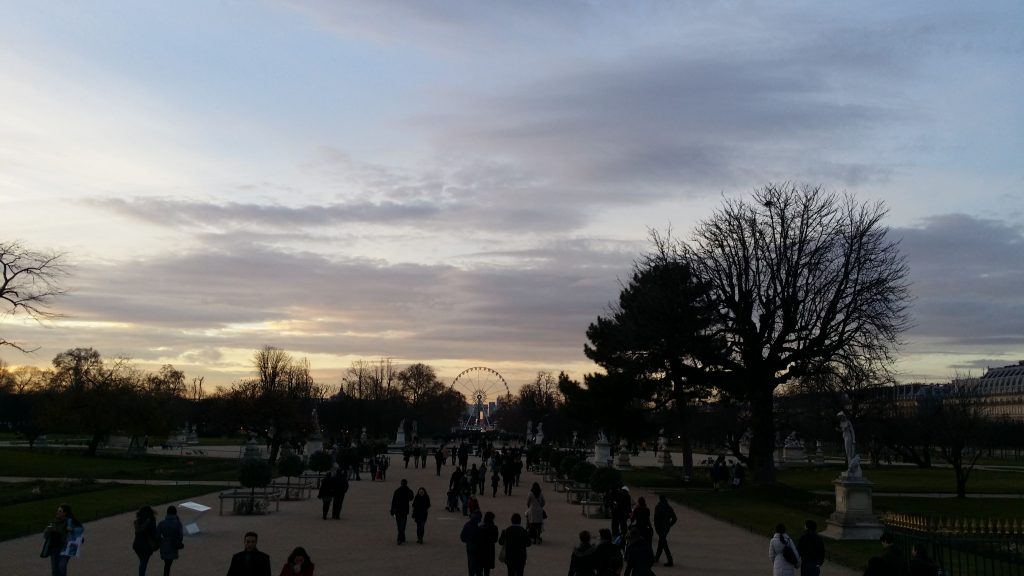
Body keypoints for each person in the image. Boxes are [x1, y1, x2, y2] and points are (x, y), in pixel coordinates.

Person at [43, 503, 84, 576]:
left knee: (61, 566)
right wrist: (48, 531)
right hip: (55, 547)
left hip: (66, 548)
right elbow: (45, 535)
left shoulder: (70, 522)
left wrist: (72, 530)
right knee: (55, 570)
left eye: (60, 511)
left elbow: (80, 530)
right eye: (58, 511)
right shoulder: (54, 522)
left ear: (65, 513)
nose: (57, 512)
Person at [132, 506, 160, 576]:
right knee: (143, 563)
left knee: (142, 562)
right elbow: (153, 534)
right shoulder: (151, 521)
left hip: (136, 545)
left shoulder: (137, 521)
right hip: (146, 546)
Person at [156, 506, 183, 576]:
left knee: (167, 564)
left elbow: (157, 535)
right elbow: (180, 536)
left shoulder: (161, 523)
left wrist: (162, 541)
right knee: (168, 565)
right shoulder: (177, 523)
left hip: (164, 545)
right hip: (173, 545)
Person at [652, 495, 677, 567]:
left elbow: (656, 518)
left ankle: (670, 560)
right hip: (666, 528)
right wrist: (669, 525)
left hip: (660, 527)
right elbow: (675, 518)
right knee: (661, 542)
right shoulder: (669, 507)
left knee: (663, 543)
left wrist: (656, 527)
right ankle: (657, 557)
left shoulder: (658, 507)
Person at [390, 478, 415, 544]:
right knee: (401, 526)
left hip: (400, 511)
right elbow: (411, 498)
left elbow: (411, 498)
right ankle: (402, 537)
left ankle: (400, 538)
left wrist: (392, 510)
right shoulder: (401, 491)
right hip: (402, 511)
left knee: (400, 526)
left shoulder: (398, 491)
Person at [460, 510, 482, 576]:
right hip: (479, 549)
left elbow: (462, 537)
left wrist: (468, 541)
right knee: (479, 568)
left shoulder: (467, 525)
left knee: (471, 566)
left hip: (470, 547)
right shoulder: (480, 527)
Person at [478, 511, 499, 576]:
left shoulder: (480, 528)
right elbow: (495, 540)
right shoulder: (494, 528)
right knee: (487, 570)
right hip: (489, 550)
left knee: (480, 568)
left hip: (481, 550)